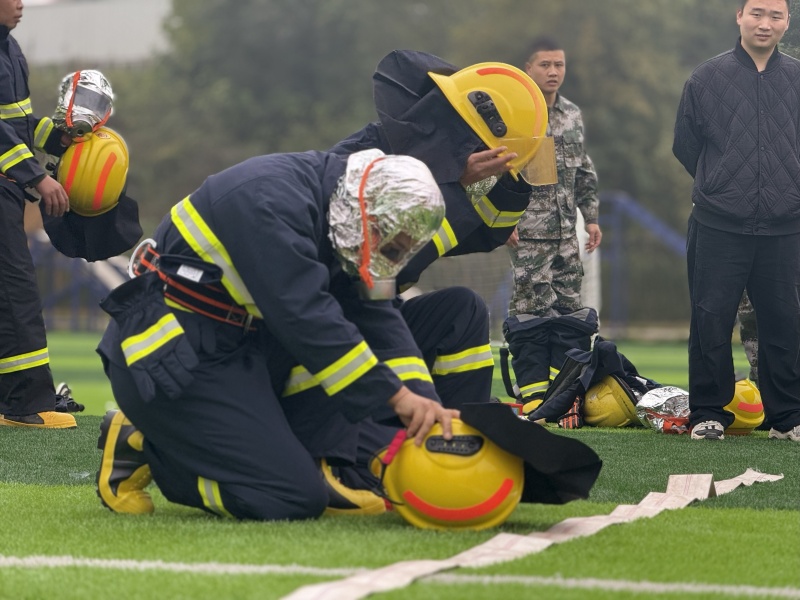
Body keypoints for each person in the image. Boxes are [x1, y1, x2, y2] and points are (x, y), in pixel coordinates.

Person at [95, 148, 461, 520]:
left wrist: (423, 402)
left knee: (348, 409)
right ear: (372, 213)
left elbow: (378, 314)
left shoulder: (350, 205)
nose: (389, 259)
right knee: (293, 498)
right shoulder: (267, 201)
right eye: (390, 245)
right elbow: (307, 319)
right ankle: (151, 446)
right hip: (176, 355)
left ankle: (307, 460)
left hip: (245, 345)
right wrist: (396, 397)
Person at [673, 0, 800, 442]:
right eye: (757, 13)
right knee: (711, 318)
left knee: (785, 321)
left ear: (788, 21)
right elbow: (686, 146)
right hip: (718, 224)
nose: (766, 23)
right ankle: (707, 411)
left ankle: (787, 419)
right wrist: (725, 188)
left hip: (786, 228)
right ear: (739, 17)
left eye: (776, 16)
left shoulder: (798, 79)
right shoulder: (706, 79)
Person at [504, 37, 602, 413]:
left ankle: (565, 396)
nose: (553, 72)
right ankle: (532, 399)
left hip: (566, 235)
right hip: (527, 234)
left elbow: (584, 170)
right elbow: (489, 172)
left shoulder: (572, 114)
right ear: (528, 68)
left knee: (569, 315)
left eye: (559, 65)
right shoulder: (513, 113)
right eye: (545, 65)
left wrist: (590, 217)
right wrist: (499, 223)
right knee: (532, 317)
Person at [0, 0, 77, 429]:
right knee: (15, 293)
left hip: (7, 188)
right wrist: (37, 177)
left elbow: (19, 125)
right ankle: (26, 407)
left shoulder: (10, 50)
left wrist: (63, 138)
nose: (20, 2)